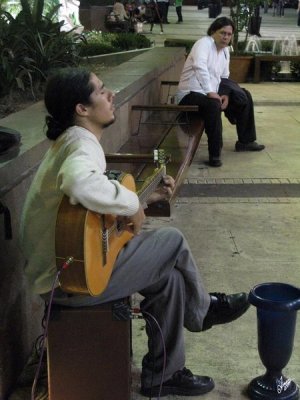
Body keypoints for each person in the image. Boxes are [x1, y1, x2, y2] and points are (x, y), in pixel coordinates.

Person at [20, 67, 250, 397]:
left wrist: (145, 198)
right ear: (81, 109)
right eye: (100, 91)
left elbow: (83, 211)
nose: (111, 94)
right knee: (171, 240)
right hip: (69, 281)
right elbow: (78, 183)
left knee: (169, 279)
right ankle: (202, 310)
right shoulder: (81, 145)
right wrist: (130, 203)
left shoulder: (71, 141)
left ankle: (164, 374)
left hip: (66, 272)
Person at [176, 17, 265, 167]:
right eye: (222, 33)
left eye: (229, 34)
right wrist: (210, 92)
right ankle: (215, 155)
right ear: (213, 32)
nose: (226, 37)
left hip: (211, 93)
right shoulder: (203, 43)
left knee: (244, 95)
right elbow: (200, 67)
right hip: (189, 94)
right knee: (213, 104)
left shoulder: (225, 51)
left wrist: (225, 94)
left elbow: (224, 77)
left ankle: (246, 141)